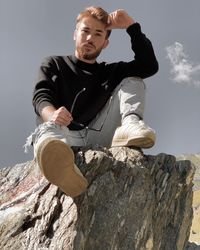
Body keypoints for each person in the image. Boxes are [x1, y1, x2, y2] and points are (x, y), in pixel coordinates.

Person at [25, 6, 158, 198]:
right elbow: (41, 95)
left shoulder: (111, 71)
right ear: (75, 34)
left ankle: (131, 124)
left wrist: (131, 26)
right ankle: (62, 168)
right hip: (64, 135)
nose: (90, 38)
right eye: (85, 31)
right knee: (46, 126)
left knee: (134, 79)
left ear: (105, 43)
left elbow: (149, 65)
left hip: (102, 134)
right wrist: (51, 114)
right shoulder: (54, 63)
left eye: (98, 34)